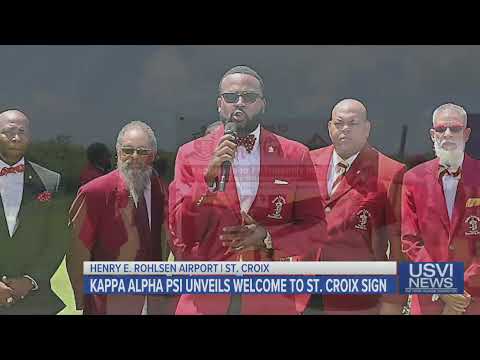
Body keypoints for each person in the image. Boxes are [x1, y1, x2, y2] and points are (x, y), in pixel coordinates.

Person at [168, 65, 326, 315]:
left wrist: (268, 237)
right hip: (206, 297)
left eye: (249, 97)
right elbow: (180, 233)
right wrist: (207, 183)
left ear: (263, 104)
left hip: (271, 297)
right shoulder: (190, 154)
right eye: (231, 97)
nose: (239, 103)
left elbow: (315, 227)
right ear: (220, 104)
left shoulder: (295, 154)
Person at [298, 99, 407, 315]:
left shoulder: (389, 172)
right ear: (330, 128)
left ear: (367, 129)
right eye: (339, 123)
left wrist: (393, 301)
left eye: (353, 123)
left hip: (357, 296)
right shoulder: (308, 161)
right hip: (306, 292)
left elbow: (398, 246)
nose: (345, 129)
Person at [67, 121, 176, 315]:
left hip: (152, 300)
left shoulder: (163, 192)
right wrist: (84, 298)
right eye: (128, 150)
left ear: (153, 156)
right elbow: (78, 252)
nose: (134, 157)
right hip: (108, 302)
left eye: (142, 152)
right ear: (117, 152)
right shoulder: (94, 192)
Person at [402, 103, 480, 315]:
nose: (447, 134)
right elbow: (410, 242)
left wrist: (460, 289)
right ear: (432, 134)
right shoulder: (413, 179)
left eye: (454, 129)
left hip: (474, 298)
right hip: (428, 298)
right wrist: (442, 287)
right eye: (441, 129)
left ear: (466, 134)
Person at [0, 109, 67, 314]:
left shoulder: (50, 182)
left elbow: (57, 239)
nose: (16, 137)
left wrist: (30, 280)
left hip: (35, 299)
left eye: (22, 131)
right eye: (9, 131)